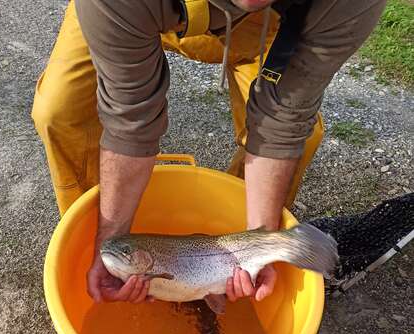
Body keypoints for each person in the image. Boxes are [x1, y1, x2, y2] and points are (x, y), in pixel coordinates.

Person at [31, 0, 386, 305]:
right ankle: (92, 233)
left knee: (303, 139)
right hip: (134, 10)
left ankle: (232, 256)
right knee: (59, 112)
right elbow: (130, 122)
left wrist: (259, 243)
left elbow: (284, 122)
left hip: (265, 27)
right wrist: (108, 241)